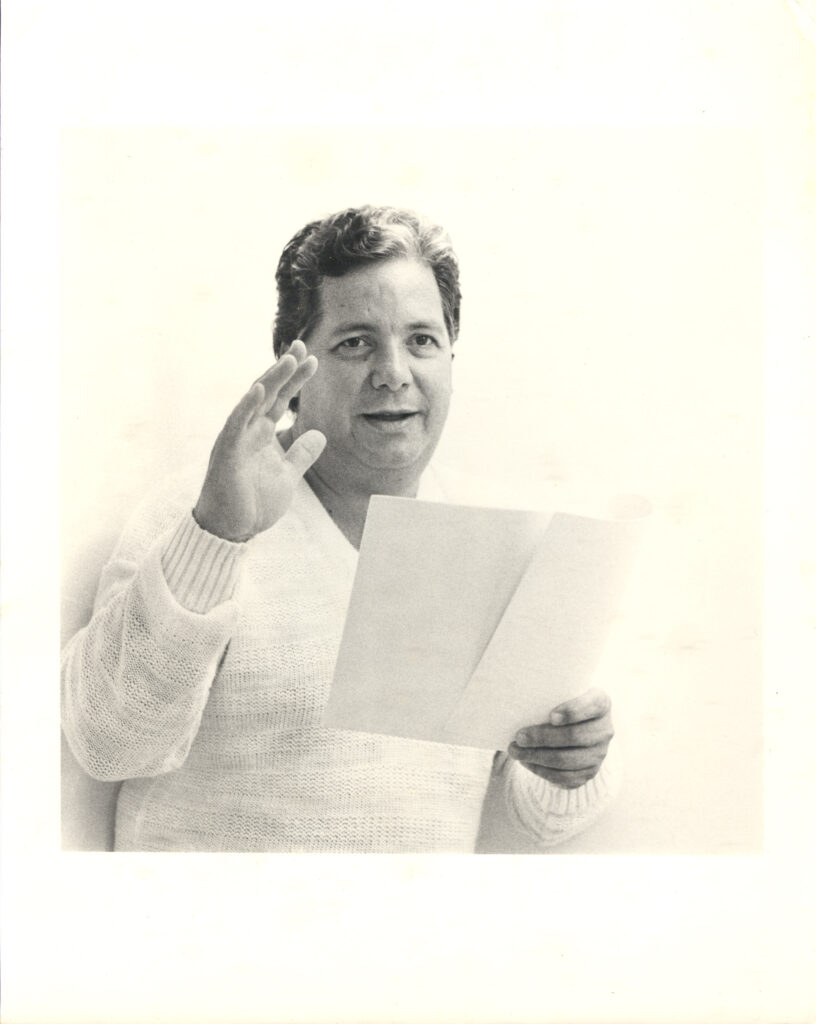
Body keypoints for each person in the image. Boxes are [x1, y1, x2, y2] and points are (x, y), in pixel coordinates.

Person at [61, 205, 619, 853]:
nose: (394, 372)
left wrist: (575, 760)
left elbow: (544, 818)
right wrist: (216, 535)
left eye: (421, 340)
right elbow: (107, 742)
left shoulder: (492, 539)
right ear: (295, 367)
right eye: (355, 342)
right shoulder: (195, 511)